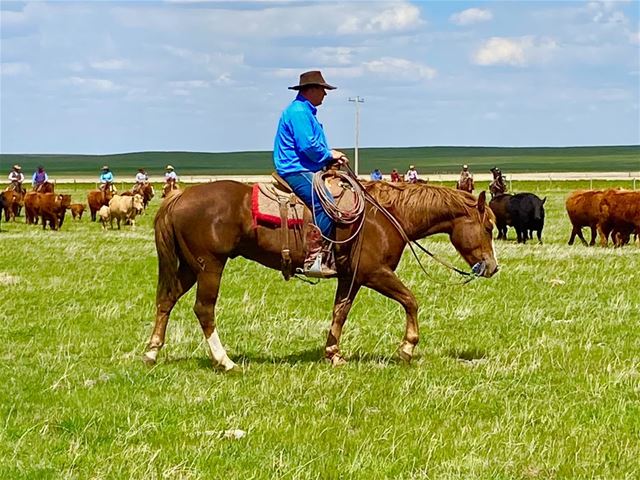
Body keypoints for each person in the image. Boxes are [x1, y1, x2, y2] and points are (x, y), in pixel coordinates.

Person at [273, 70, 349, 277]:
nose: (325, 94)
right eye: (323, 90)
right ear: (312, 90)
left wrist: (330, 158)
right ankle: (316, 257)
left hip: (305, 166)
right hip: (296, 168)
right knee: (324, 203)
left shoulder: (305, 112)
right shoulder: (299, 112)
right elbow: (309, 146)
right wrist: (328, 154)